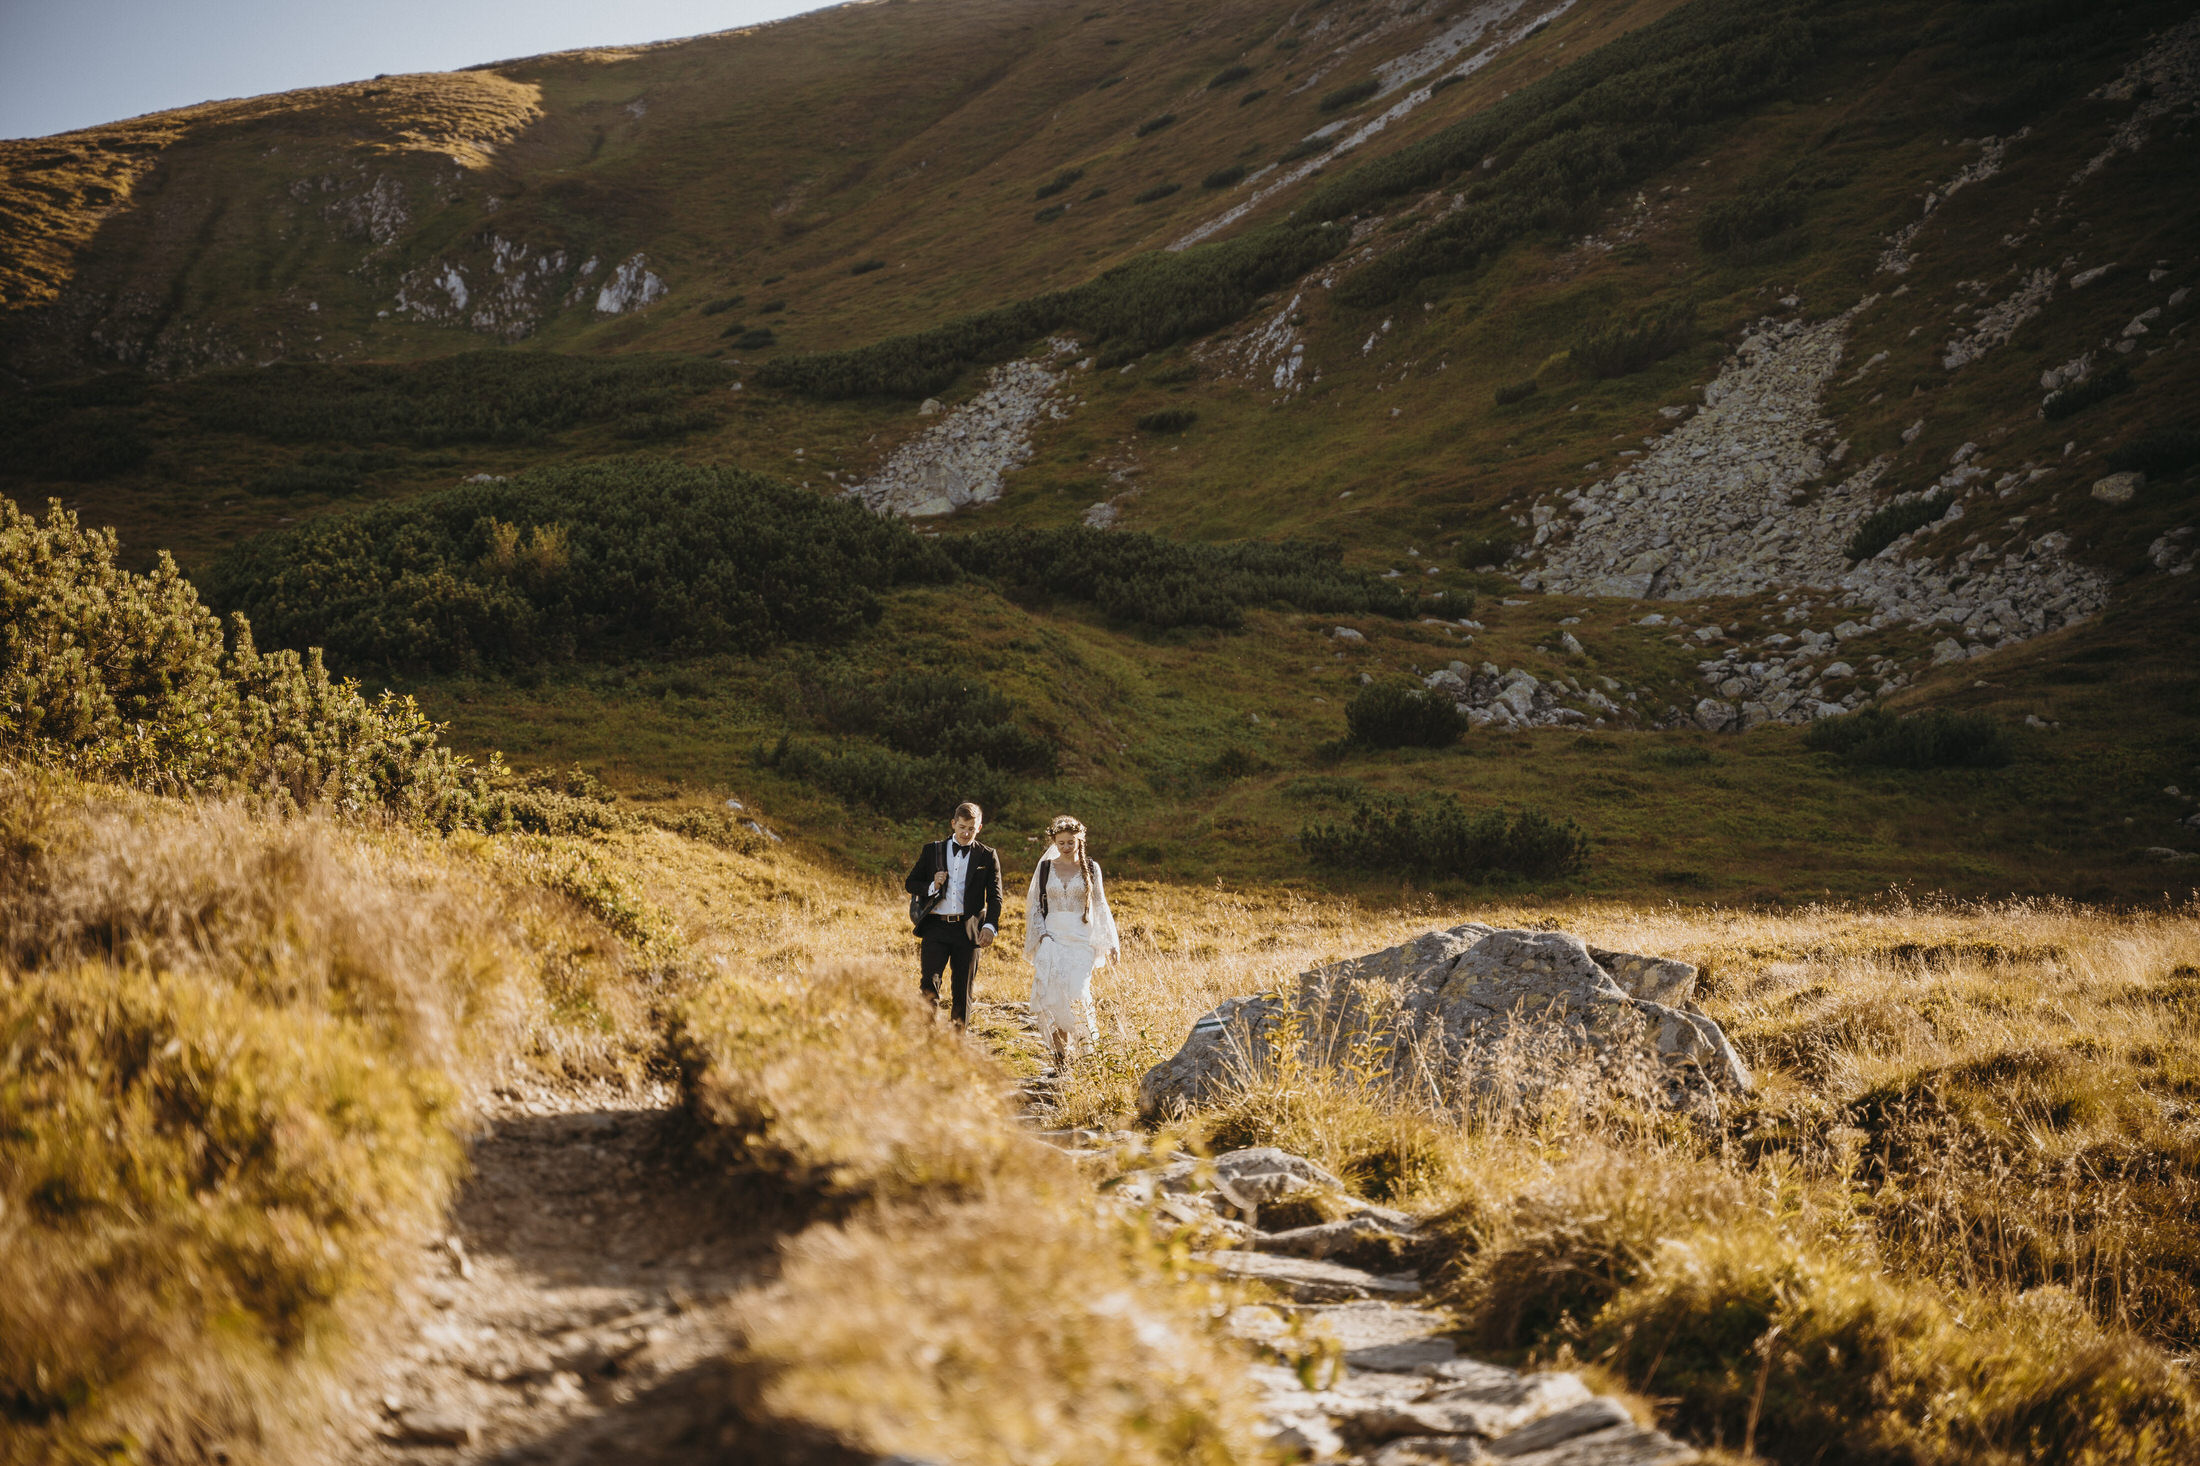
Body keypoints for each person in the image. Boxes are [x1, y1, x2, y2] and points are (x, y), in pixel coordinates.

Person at [1022, 814, 1119, 1071]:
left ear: (1080, 840)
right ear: (1054, 841)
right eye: (1061, 842)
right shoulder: (1045, 868)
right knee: (1053, 996)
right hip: (1051, 937)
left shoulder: (1091, 867)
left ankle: (1088, 1055)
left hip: (1081, 939)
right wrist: (1041, 935)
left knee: (1077, 993)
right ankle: (1060, 1058)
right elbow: (1034, 907)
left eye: (1071, 842)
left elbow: (1100, 903)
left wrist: (1110, 941)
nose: (1066, 847)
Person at [902, 801, 1001, 1027]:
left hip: (968, 930)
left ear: (980, 827)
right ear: (953, 824)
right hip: (936, 926)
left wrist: (989, 926)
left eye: (971, 829)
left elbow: (995, 896)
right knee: (929, 984)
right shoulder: (932, 850)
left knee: (963, 989)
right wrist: (932, 886)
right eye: (962, 827)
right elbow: (910, 883)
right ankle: (928, 1038)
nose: (966, 833)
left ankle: (957, 1045)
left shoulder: (987, 856)